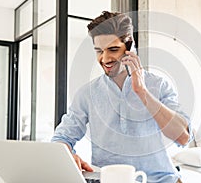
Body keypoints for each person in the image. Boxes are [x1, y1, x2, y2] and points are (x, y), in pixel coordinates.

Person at [51, 11, 192, 183]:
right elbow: (61, 138)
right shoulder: (87, 94)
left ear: (130, 48)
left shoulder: (159, 85)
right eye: (99, 51)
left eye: (113, 49)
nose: (105, 58)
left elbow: (183, 137)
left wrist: (142, 92)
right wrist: (69, 155)